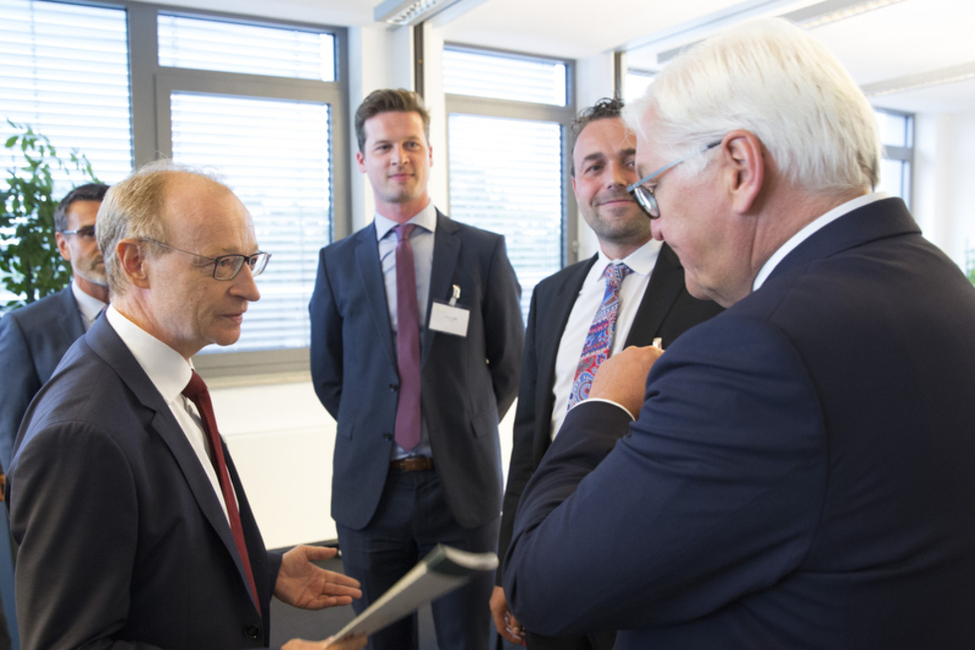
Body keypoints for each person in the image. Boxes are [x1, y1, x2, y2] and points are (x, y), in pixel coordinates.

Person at [503, 18, 975, 649]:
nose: (659, 224)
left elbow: (542, 585)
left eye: (653, 185)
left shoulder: (758, 351)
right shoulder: (938, 283)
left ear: (738, 167)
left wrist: (605, 403)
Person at [6, 162, 364, 650]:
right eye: (221, 263)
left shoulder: (166, 378)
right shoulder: (82, 433)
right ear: (135, 264)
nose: (250, 290)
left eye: (250, 260)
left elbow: (158, 550)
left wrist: (262, 570)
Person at [490, 97, 720, 650]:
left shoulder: (705, 287)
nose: (613, 180)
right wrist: (509, 563)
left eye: (630, 161)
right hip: (552, 555)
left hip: (649, 573)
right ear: (575, 183)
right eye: (594, 166)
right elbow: (531, 447)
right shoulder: (551, 295)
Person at [310, 88, 524, 650]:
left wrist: (464, 425)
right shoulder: (337, 263)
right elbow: (329, 375)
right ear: (362, 159)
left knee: (467, 640)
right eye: (383, 146)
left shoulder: (481, 252)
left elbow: (508, 365)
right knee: (380, 641)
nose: (397, 157)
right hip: (371, 494)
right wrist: (382, 423)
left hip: (462, 490)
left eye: (410, 144)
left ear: (430, 151)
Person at [0, 182, 110, 473]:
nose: (105, 243)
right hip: (65, 496)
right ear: (63, 244)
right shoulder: (24, 329)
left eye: (113, 231)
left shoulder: (153, 321)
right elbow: (12, 440)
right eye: (89, 233)